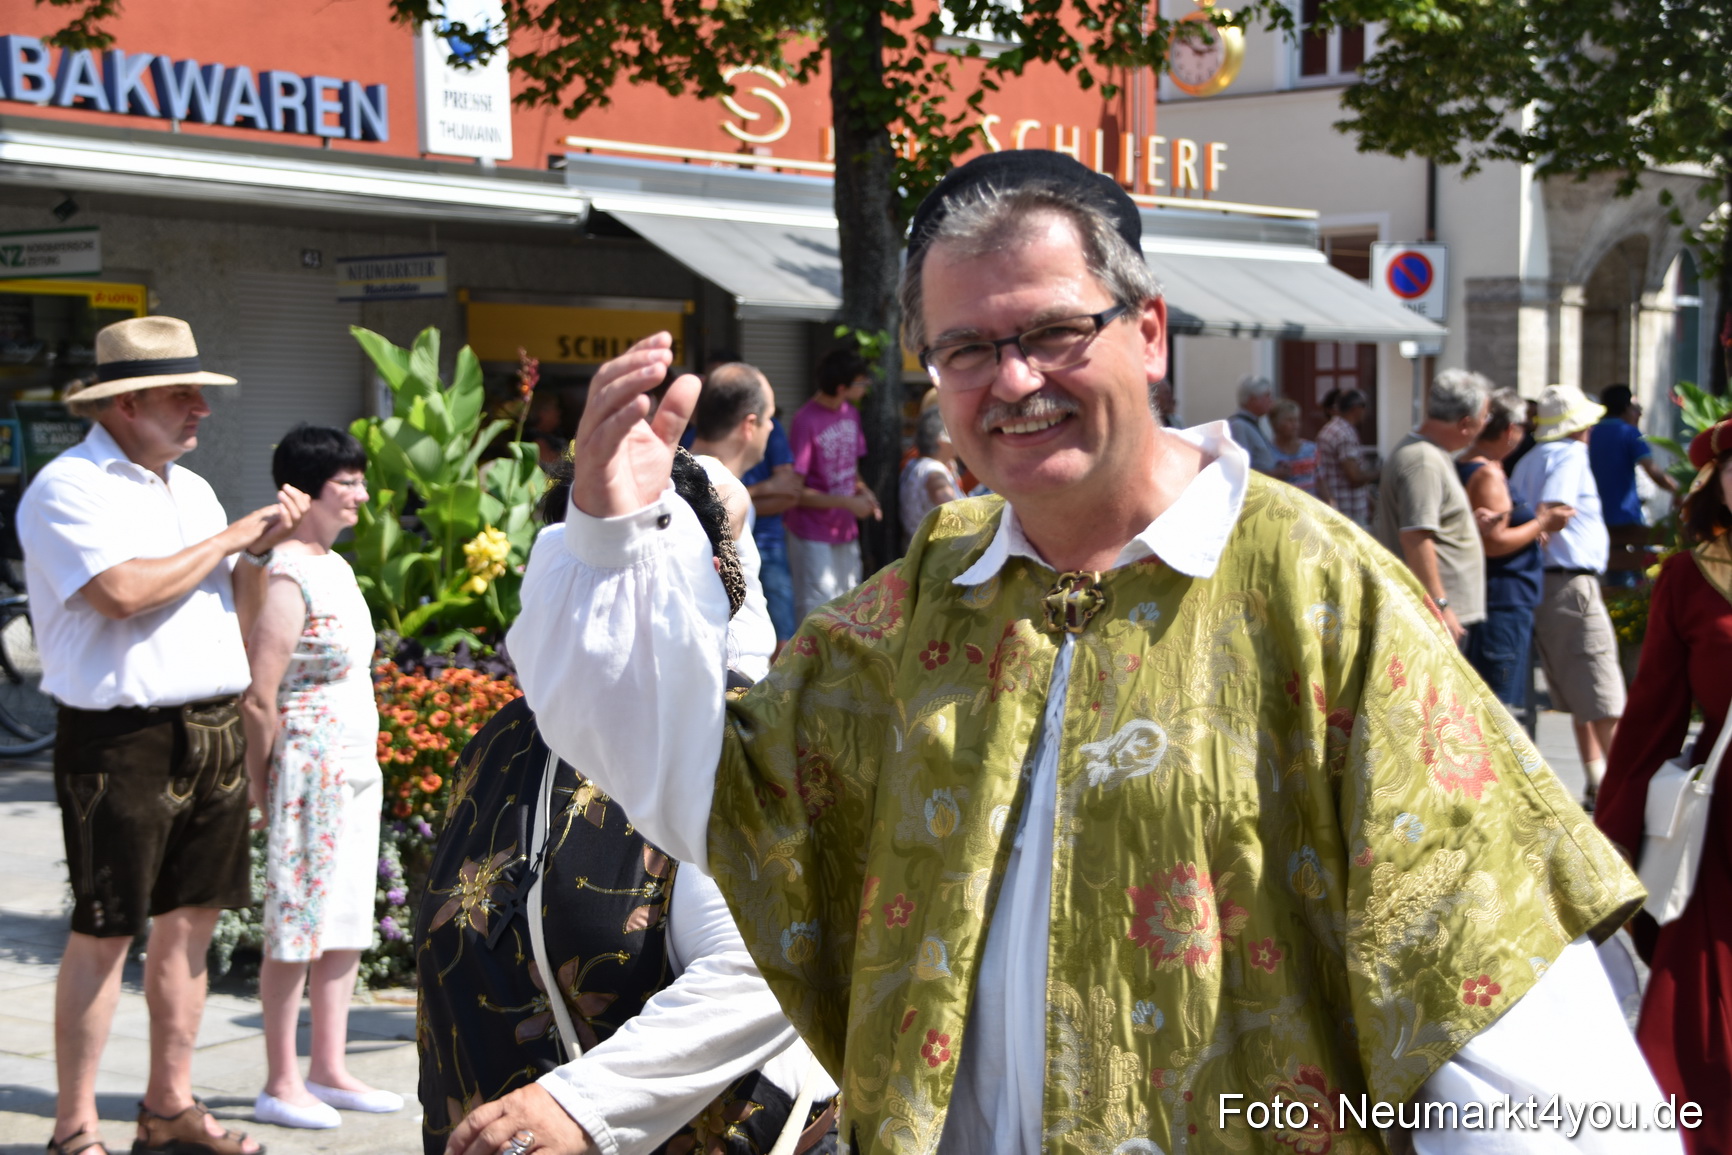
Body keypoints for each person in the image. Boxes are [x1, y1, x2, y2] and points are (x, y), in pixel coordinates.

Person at [508, 151, 1667, 1153]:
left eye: (1054, 333)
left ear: (1148, 331)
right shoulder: (925, 603)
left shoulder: (1315, 595)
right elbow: (712, 788)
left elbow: (1492, 981)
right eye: (965, 350)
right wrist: (611, 543)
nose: (1012, 382)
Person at [421, 450, 837, 1155]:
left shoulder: (733, 741)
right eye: (579, 563)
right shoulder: (505, 741)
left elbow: (765, 966)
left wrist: (581, 1106)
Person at [18, 316, 310, 1155]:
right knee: (107, 927)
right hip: (121, 736)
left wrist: (260, 557)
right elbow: (119, 593)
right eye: (183, 395)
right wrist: (231, 539)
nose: (199, 411)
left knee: (191, 924)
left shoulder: (192, 490)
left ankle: (167, 1107)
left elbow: (235, 612)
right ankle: (75, 1124)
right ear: (127, 402)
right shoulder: (67, 487)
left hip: (210, 723)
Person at [237, 425, 402, 1130]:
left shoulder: (334, 564)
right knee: (298, 923)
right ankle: (280, 1079)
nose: (362, 494)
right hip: (307, 769)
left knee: (343, 921)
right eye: (348, 483)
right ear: (305, 493)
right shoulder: (285, 572)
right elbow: (258, 694)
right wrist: (258, 785)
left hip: (354, 765)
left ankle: (329, 1067)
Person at [1594, 416, 1732, 1155]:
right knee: (1702, 1011)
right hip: (1720, 823)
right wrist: (1609, 839)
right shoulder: (1691, 574)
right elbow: (1651, 713)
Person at [1510, 383, 1626, 808]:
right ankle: (1620, 787)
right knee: (1602, 689)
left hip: (1544, 581)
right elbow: (1555, 510)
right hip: (1570, 582)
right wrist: (1546, 522)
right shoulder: (1569, 454)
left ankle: (1599, 780)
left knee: (1580, 695)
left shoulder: (1530, 457)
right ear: (1580, 426)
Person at [1456, 391, 1573, 708]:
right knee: (1500, 708)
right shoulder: (1487, 473)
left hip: (1498, 596)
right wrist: (1543, 523)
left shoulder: (1474, 465)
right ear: (1511, 430)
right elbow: (1495, 544)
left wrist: (1531, 526)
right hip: (1503, 599)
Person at [1374, 369, 1491, 645]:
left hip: (1437, 613)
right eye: (1485, 417)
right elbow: (1415, 535)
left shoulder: (1428, 453)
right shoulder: (1423, 460)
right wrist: (1440, 606)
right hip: (1435, 617)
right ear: (1465, 423)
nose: (1485, 425)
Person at [688, 362, 780, 678]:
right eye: (770, 419)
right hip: (734, 681)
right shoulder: (719, 480)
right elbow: (728, 503)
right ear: (749, 425)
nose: (772, 428)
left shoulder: (685, 474)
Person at [782, 347, 882, 621]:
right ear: (841, 387)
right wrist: (846, 502)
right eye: (861, 382)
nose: (866, 387)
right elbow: (796, 492)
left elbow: (852, 470)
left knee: (850, 603)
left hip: (844, 529)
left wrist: (864, 491)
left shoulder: (851, 413)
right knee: (818, 609)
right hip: (811, 531)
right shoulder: (805, 420)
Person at [1590, 384, 1678, 586]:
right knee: (1634, 576)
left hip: (1595, 514)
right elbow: (1653, 471)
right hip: (1625, 515)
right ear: (1626, 406)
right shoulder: (1629, 433)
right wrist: (1677, 490)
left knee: (1609, 574)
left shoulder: (1590, 432)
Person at [739, 414, 801, 642]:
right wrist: (767, 488)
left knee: (782, 629)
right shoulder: (697, 435)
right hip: (725, 546)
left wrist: (740, 497)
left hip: (768, 543)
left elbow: (788, 495)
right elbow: (716, 502)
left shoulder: (772, 429)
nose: (771, 425)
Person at [1315, 387, 1379, 528]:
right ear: (1356, 408)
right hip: (1348, 511)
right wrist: (1380, 473)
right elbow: (1354, 477)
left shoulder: (1330, 428)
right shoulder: (1345, 434)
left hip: (1333, 506)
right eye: (1364, 407)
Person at [898, 407, 962, 546]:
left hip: (922, 551)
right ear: (942, 440)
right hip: (942, 555)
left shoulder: (915, 464)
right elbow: (952, 507)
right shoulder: (935, 472)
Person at [1267, 397, 1323, 499]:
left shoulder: (1311, 449)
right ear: (1275, 424)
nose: (1295, 425)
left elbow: (1320, 481)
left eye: (1297, 420)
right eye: (1290, 420)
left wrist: (1330, 504)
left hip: (1309, 510)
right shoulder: (1268, 453)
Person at [1225, 373, 1276, 473]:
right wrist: (1275, 473)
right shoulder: (1238, 426)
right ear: (1252, 399)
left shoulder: (1251, 424)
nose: (1271, 400)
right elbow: (1241, 468)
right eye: (1267, 396)